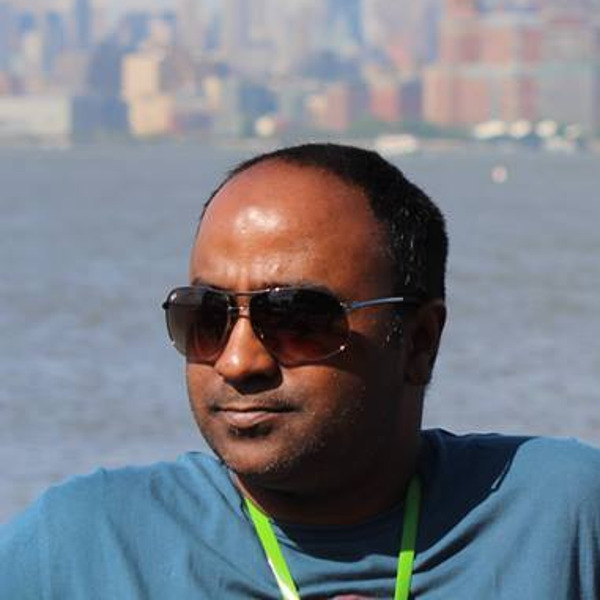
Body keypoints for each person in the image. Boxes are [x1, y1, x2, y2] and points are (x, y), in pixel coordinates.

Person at [1, 143, 599, 599]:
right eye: (206, 317)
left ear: (419, 341)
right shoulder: (82, 547)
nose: (238, 360)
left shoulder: (562, 516)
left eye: (295, 319)